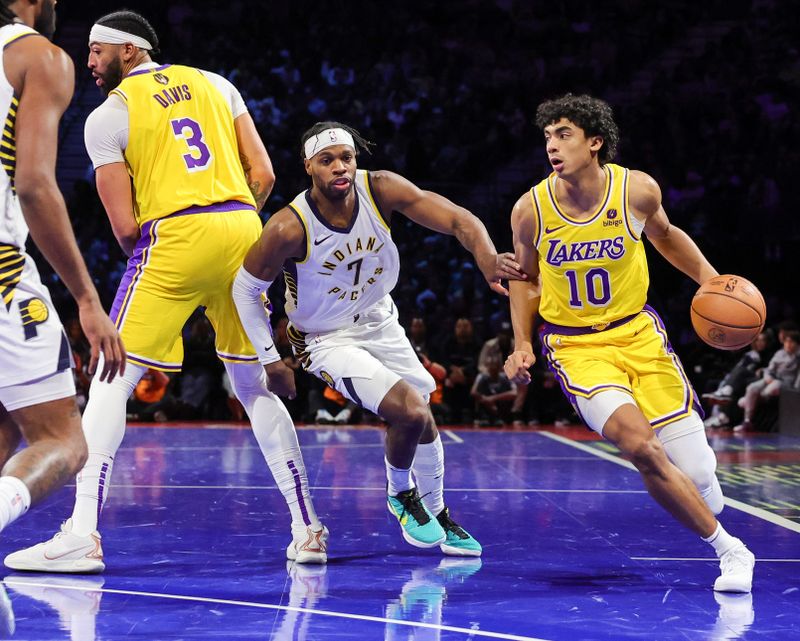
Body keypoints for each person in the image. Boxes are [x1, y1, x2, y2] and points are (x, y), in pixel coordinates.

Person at [7, 9, 325, 573]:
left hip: (174, 234)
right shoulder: (217, 84)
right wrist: (232, 223)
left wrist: (181, 240)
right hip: (242, 230)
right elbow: (266, 172)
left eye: (97, 51)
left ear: (129, 50)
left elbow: (125, 227)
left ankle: (82, 534)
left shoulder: (110, 114)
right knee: (252, 387)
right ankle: (307, 530)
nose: (89, 62)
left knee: (111, 378)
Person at [232, 121, 526, 556]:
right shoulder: (287, 228)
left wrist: (485, 257)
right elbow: (245, 288)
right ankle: (399, 493)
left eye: (346, 158)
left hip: (379, 319)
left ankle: (438, 513)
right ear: (309, 165)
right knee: (408, 410)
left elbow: (458, 219)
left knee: (423, 413)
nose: (339, 167)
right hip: (324, 338)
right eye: (327, 160)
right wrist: (271, 360)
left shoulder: (381, 189)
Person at [504, 94, 754, 592]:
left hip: (640, 335)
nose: (552, 145)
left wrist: (711, 282)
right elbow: (525, 279)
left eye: (564, 134)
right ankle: (732, 551)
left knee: (700, 474)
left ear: (595, 142)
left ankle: (702, 493)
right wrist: (521, 342)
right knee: (641, 447)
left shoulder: (635, 190)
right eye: (548, 136)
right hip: (576, 346)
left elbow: (665, 235)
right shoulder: (530, 209)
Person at [0, 1, 124, 539]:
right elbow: (33, 184)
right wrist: (88, 301)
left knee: (7, 423)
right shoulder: (38, 55)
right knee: (64, 442)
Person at [733, 329, 799, 432]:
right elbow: (769, 369)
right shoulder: (779, 353)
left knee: (770, 390)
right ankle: (747, 422)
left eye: (791, 342)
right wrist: (767, 377)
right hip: (772, 379)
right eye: (787, 342)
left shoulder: (798, 356)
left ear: (797, 344)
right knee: (752, 387)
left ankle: (749, 401)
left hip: (785, 383)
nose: (788, 344)